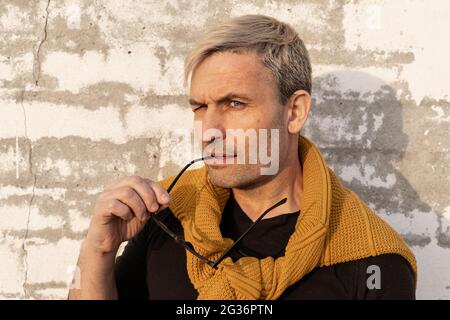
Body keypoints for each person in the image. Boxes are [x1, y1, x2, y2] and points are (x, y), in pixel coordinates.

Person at [68, 15, 416, 300]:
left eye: (235, 104)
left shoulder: (374, 259)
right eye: (201, 107)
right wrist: (99, 250)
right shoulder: (168, 213)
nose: (210, 130)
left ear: (294, 112)